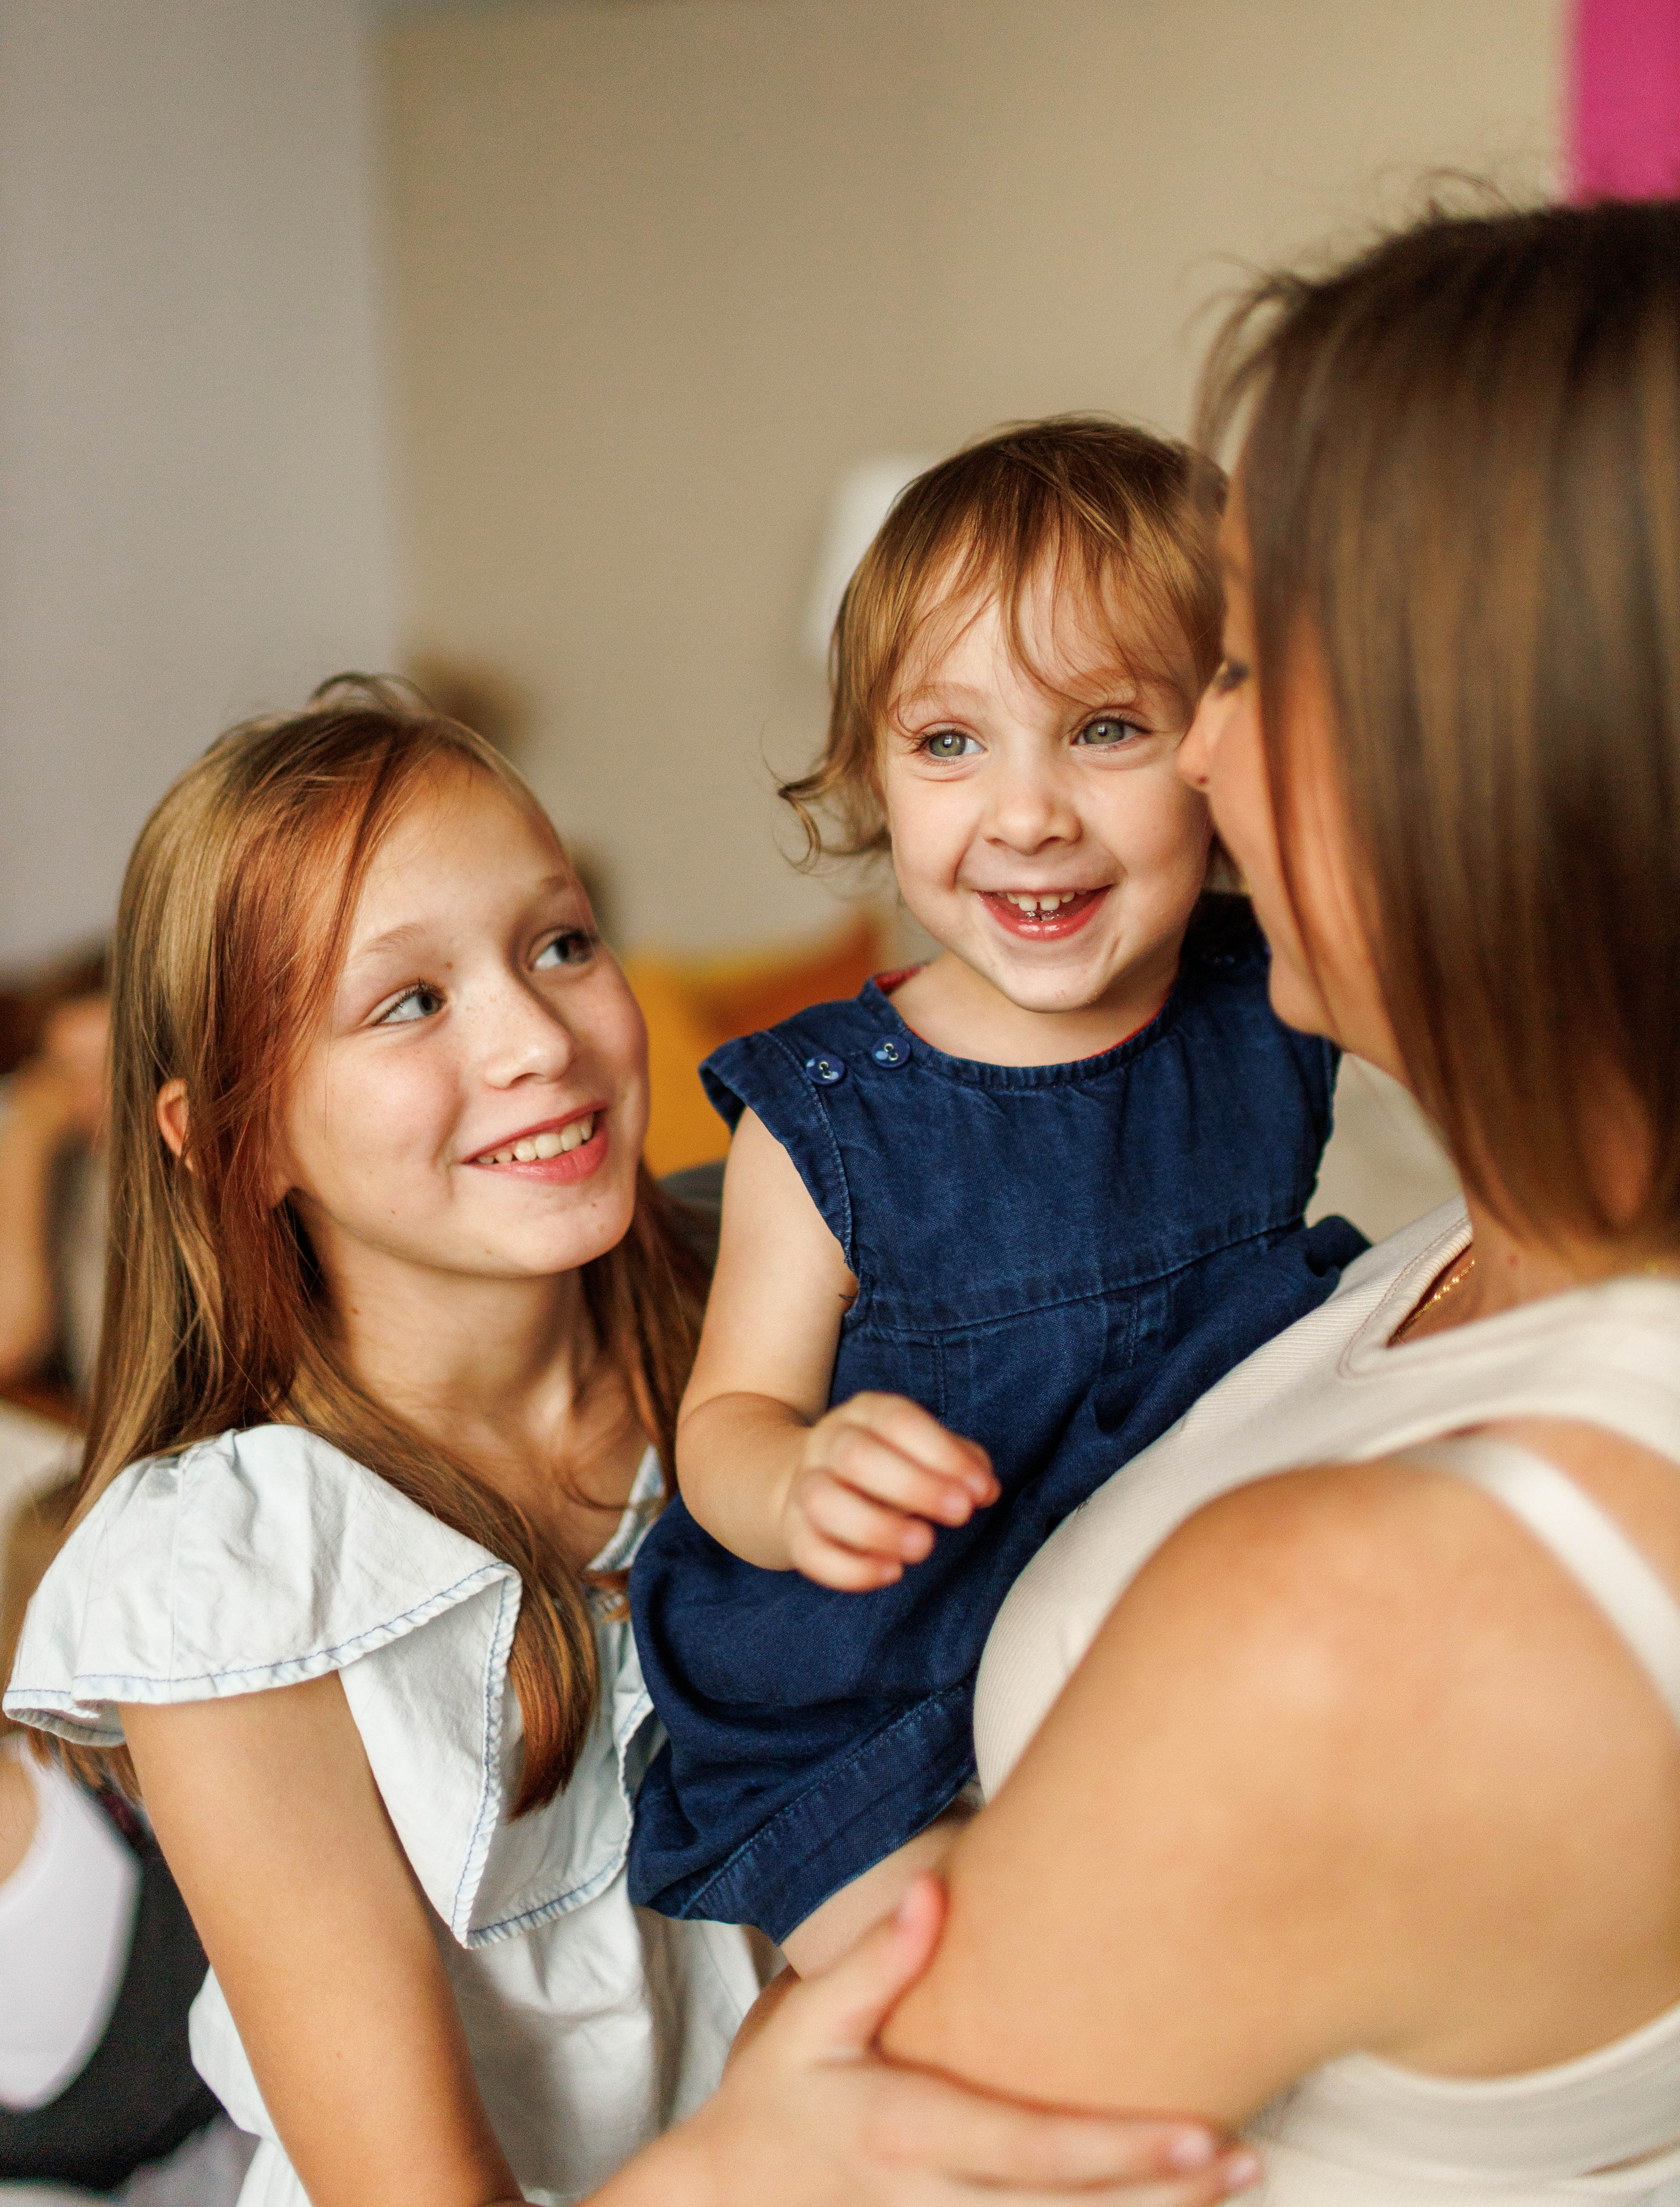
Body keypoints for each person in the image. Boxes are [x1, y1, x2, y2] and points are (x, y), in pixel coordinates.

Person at [4, 682, 1256, 2207]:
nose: (538, 1035)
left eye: (560, 942)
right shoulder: (228, 1578)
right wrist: (764, 2152)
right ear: (233, 1138)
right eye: (409, 1001)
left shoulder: (779, 1306)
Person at [875, 200, 1680, 2203]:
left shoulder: (1364, 1620)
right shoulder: (1470, 1267)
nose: (1199, 757)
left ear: (1482, 750)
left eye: (1231, 668)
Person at [628, 419, 1364, 1962]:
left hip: (1144, 1632)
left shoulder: (1269, 1000)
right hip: (866, 1703)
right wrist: (802, 1476)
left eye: (1102, 728)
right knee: (943, 1989)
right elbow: (722, 1427)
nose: (1024, 812)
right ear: (871, 779)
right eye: (948, 743)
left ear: (1220, 748)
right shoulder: (823, 1114)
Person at [0, 946, 110, 1395]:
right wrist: (28, 1140)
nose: (91, 1099)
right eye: (69, 1074)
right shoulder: (65, 1161)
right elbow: (10, 1339)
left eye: (110, 1069)